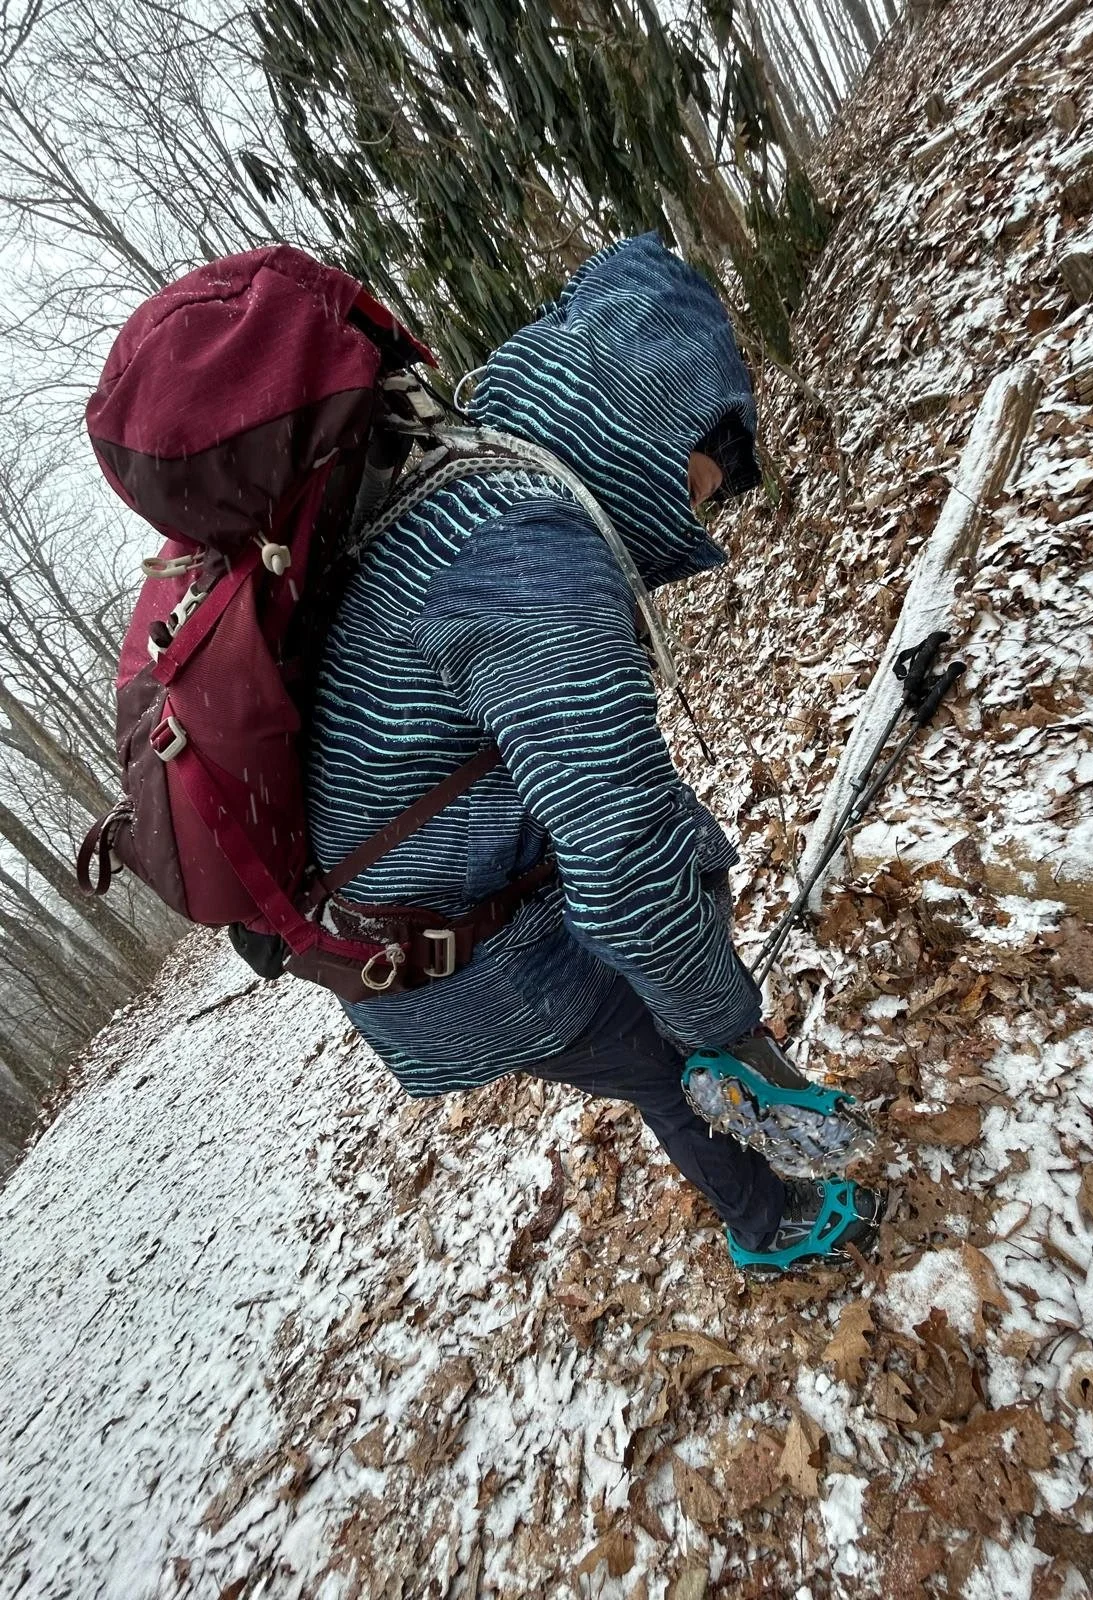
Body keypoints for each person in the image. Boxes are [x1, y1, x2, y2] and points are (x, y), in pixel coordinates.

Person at [305, 234, 879, 1274]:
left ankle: (748, 1181)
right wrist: (738, 1037)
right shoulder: (525, 555)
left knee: (664, 1020)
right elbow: (625, 872)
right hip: (462, 963)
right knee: (670, 1055)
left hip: (421, 920)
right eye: (696, 485)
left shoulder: (458, 487)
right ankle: (769, 1224)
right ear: (644, 425)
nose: (693, 520)